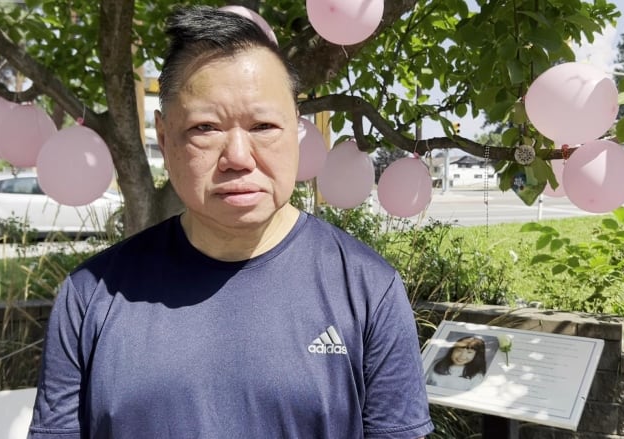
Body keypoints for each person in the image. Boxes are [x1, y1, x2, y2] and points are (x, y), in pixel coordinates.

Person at [28, 6, 433, 439]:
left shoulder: (369, 289)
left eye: (262, 125)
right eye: (205, 127)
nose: (238, 157)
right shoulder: (90, 296)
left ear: (296, 127)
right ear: (165, 138)